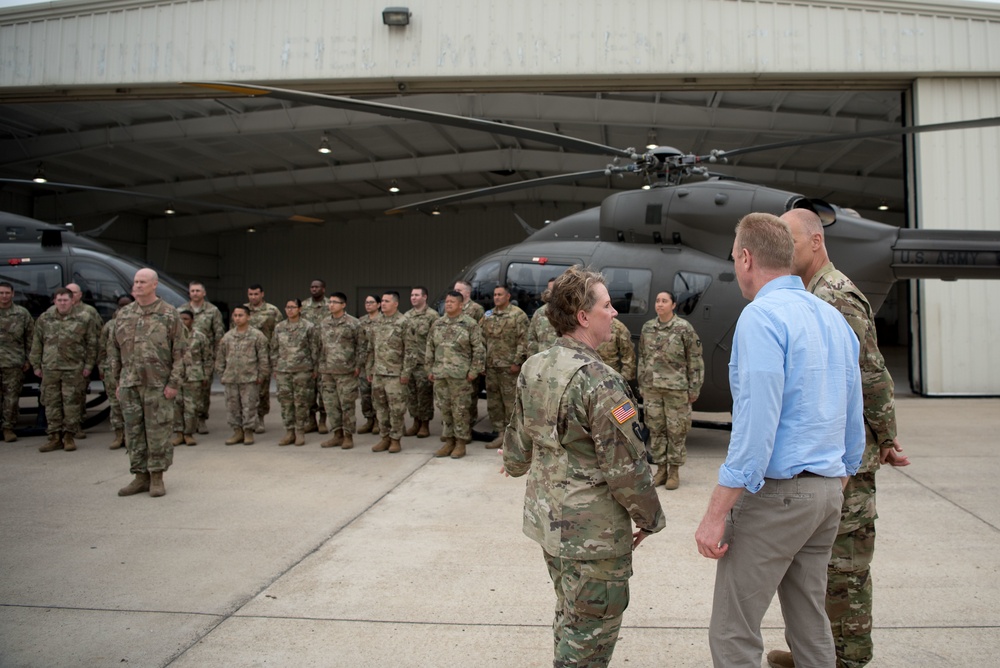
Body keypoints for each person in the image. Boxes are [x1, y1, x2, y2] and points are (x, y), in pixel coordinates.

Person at [694, 213, 865, 668]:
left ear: (747, 258)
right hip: (828, 493)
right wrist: (834, 480)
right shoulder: (832, 318)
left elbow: (756, 428)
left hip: (778, 496)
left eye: (734, 259)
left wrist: (716, 513)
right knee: (810, 622)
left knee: (734, 630)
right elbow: (854, 419)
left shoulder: (761, 318)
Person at [765, 208, 912, 668]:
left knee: (844, 567)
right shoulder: (810, 293)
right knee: (819, 565)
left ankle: (846, 659)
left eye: (789, 240)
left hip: (850, 457)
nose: (784, 251)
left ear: (815, 241)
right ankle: (818, 652)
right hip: (828, 454)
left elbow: (869, 373)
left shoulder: (836, 296)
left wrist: (886, 436)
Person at [502, 265, 665, 668]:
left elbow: (516, 455)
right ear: (582, 316)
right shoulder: (600, 381)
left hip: (550, 525)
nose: (614, 313)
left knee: (570, 616)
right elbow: (626, 468)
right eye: (607, 306)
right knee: (589, 637)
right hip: (593, 536)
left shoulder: (534, 367)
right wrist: (650, 518)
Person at [110, 269, 187, 498]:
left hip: (157, 384)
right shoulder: (124, 314)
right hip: (129, 383)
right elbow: (113, 351)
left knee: (157, 432)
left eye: (142, 282)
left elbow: (181, 353)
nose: (137, 285)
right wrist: (117, 381)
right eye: (135, 282)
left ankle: (156, 477)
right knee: (133, 431)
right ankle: (139, 476)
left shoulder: (169, 314)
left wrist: (174, 383)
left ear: (154, 285)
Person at [637, 290, 704, 489]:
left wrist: (694, 388)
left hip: (676, 389)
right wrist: (642, 383)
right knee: (656, 430)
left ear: (673, 305)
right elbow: (642, 356)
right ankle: (661, 470)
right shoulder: (648, 328)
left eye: (664, 301)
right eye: (657, 301)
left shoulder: (683, 328)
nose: (659, 304)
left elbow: (695, 359)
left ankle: (674, 472)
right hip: (652, 388)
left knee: (676, 430)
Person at [30, 288, 96, 452]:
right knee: (51, 404)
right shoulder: (45, 318)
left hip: (73, 369)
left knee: (71, 404)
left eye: (65, 300)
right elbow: (37, 343)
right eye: (59, 300)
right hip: (50, 368)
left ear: (72, 300)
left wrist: (88, 366)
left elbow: (92, 344)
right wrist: (36, 365)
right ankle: (54, 437)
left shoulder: (84, 318)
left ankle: (68, 437)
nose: (62, 303)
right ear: (54, 301)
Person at [425, 290, 485, 459]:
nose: (448, 304)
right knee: (445, 410)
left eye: (452, 301)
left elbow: (479, 349)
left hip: (460, 376)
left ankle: (460, 443)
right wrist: (429, 369)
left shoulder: (470, 324)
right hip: (441, 374)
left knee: (460, 411)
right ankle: (449, 441)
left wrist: (474, 371)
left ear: (460, 304)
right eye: (447, 301)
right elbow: (430, 347)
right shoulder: (438, 324)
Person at [480, 284, 528, 448]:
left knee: (511, 403)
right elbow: (481, 340)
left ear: (508, 296)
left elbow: (523, 340)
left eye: (500, 294)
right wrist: (482, 363)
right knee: (494, 403)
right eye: (494, 294)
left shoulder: (517, 315)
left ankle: (513, 437)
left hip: (509, 368)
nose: (496, 297)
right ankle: (499, 434)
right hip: (492, 366)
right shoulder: (488, 315)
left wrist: (517, 361)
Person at [317, 293, 366, 449]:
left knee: (347, 405)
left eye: (335, 302)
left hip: (347, 371)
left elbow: (361, 347)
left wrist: (358, 365)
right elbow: (319, 346)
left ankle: (348, 436)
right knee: (331, 405)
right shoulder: (324, 323)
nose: (331, 305)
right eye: (330, 302)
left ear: (343, 304)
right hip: (328, 371)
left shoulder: (353, 323)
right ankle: (337, 434)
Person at [217, 305, 270, 446]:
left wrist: (262, 375)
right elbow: (221, 357)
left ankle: (248, 432)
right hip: (231, 378)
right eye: (235, 315)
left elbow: (263, 358)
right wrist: (221, 374)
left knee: (249, 406)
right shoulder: (227, 337)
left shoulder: (257, 336)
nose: (237, 318)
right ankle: (237, 432)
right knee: (232, 407)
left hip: (250, 378)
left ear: (248, 317)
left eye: (241, 315)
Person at [234, 284, 283, 433]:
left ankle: (260, 418)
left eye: (256, 294)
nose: (253, 297)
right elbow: (233, 332)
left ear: (262, 294)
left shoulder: (272, 311)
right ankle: (247, 419)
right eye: (250, 294)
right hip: (244, 357)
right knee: (243, 389)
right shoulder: (241, 310)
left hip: (264, 356)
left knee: (261, 390)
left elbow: (279, 333)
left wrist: (276, 357)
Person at [271, 299, 318, 446]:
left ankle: (300, 431)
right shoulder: (279, 327)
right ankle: (289, 431)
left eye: (293, 307)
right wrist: (275, 366)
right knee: (286, 403)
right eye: (287, 307)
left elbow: (314, 348)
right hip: (283, 370)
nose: (290, 310)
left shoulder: (308, 327)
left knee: (301, 402)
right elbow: (274, 348)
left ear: (299, 309)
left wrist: (315, 368)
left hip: (302, 370)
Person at [181, 281, 226, 434]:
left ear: (204, 293)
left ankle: (201, 419)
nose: (195, 293)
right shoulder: (180, 310)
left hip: (204, 357)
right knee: (182, 393)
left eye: (198, 291)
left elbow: (219, 334)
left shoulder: (213, 311)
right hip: (184, 358)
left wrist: (216, 358)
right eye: (192, 290)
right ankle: (183, 423)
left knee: (203, 392)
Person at [367, 291, 408, 453]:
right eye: (382, 301)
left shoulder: (404, 322)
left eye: (386, 301)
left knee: (396, 409)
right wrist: (369, 369)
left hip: (395, 374)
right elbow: (371, 348)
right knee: (380, 408)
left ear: (396, 304)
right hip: (378, 373)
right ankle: (384, 438)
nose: (382, 303)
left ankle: (396, 439)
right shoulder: (376, 322)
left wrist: (406, 373)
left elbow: (410, 351)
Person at [65, 282, 101, 439]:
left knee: (78, 395)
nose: (71, 296)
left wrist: (94, 360)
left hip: (81, 361)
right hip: (60, 362)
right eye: (68, 293)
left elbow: (98, 335)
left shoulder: (89, 312)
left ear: (80, 295)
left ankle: (78, 425)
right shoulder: (57, 311)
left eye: (74, 293)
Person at [402, 286, 438, 438]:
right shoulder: (406, 316)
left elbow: (435, 341)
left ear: (425, 297)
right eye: (412, 295)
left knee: (424, 395)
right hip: (410, 364)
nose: (413, 298)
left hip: (424, 363)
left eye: (417, 295)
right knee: (411, 395)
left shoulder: (432, 316)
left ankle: (424, 424)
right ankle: (415, 421)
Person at [0, 281, 34, 443]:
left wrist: (28, 359)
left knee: (11, 398)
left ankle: (8, 428)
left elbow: (31, 339)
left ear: (13, 294)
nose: (4, 296)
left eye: (7, 293)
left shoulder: (22, 314)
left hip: (14, 363)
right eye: (1, 293)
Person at [173, 310, 212, 446]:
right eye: (181, 319)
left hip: (194, 376)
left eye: (186, 319)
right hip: (176, 376)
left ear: (192, 320)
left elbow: (207, 358)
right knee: (176, 405)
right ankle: (178, 433)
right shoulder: (171, 336)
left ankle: (188, 434)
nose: (183, 321)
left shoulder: (200, 337)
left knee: (191, 407)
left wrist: (206, 374)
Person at [98, 295, 133, 449]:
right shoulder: (110, 325)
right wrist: (101, 366)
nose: (123, 307)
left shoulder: (136, 323)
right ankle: (119, 435)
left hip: (130, 369)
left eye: (127, 304)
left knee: (131, 404)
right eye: (121, 305)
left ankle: (131, 436)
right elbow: (101, 348)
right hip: (111, 370)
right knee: (115, 403)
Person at [455, 279, 485, 432]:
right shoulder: (453, 308)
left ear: (467, 293)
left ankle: (469, 425)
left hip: (470, 360)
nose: (456, 293)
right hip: (454, 361)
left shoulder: (476, 309)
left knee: (471, 396)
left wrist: (478, 364)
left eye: (459, 290)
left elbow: (480, 336)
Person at [300, 279, 328, 434]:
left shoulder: (331, 305)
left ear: (323, 289)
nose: (314, 289)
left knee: (324, 390)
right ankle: (311, 421)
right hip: (308, 354)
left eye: (317, 287)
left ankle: (323, 421)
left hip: (325, 353)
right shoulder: (303, 306)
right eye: (312, 287)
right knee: (309, 391)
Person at [356, 294, 381, 435]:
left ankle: (378, 420)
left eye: (371, 302)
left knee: (377, 394)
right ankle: (369, 420)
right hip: (365, 362)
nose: (368, 305)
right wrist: (358, 364)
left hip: (378, 363)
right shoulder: (361, 322)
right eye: (366, 302)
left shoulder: (382, 321)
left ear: (378, 305)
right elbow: (359, 343)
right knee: (365, 394)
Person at [596, 317, 636, 381]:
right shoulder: (579, 325)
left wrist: (624, 379)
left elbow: (629, 354)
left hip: (609, 377)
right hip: (584, 377)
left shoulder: (617, 326)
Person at [526, 278, 558, 356]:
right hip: (542, 361)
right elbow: (532, 339)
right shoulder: (539, 313)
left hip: (560, 361)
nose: (550, 292)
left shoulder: (568, 312)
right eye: (549, 289)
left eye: (553, 289)